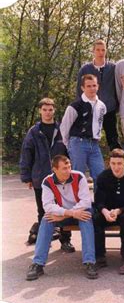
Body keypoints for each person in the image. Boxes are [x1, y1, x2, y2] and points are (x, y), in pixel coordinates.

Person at [26, 155, 98, 280]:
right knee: (46, 219)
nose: (68, 170)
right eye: (64, 168)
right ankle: (38, 263)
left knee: (86, 217)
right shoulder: (47, 182)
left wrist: (69, 213)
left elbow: (86, 201)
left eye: (69, 167)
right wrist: (67, 213)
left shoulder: (79, 176)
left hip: (79, 211)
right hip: (64, 213)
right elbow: (47, 206)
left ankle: (90, 262)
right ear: (55, 169)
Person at [20, 98, 73, 251]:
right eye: (45, 109)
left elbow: (69, 152)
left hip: (61, 179)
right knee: (43, 211)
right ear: (40, 111)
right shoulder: (34, 132)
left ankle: (65, 241)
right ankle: (45, 240)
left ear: (54, 110)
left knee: (64, 209)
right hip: (40, 178)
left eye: (50, 109)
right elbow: (26, 154)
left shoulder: (62, 130)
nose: (48, 112)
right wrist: (27, 177)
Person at [94, 149, 124, 275]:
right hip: (107, 212)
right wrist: (105, 212)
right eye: (113, 163)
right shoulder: (103, 176)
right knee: (96, 219)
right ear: (109, 163)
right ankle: (100, 257)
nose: (116, 167)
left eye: (119, 163)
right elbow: (98, 201)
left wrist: (119, 211)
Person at [60, 74, 106, 187]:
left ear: (98, 86)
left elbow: (99, 124)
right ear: (82, 88)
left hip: (94, 144)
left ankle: (99, 203)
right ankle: (76, 203)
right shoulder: (75, 106)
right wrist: (69, 144)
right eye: (88, 86)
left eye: (94, 85)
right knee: (77, 176)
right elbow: (64, 127)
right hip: (78, 142)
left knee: (100, 175)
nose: (92, 88)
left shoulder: (102, 106)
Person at [76, 39, 121, 150]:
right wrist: (81, 108)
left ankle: (117, 163)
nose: (101, 52)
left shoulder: (113, 68)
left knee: (113, 139)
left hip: (109, 109)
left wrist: (117, 105)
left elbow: (118, 87)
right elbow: (79, 90)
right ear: (93, 51)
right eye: (98, 50)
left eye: (103, 50)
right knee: (89, 138)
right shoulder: (85, 69)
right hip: (90, 109)